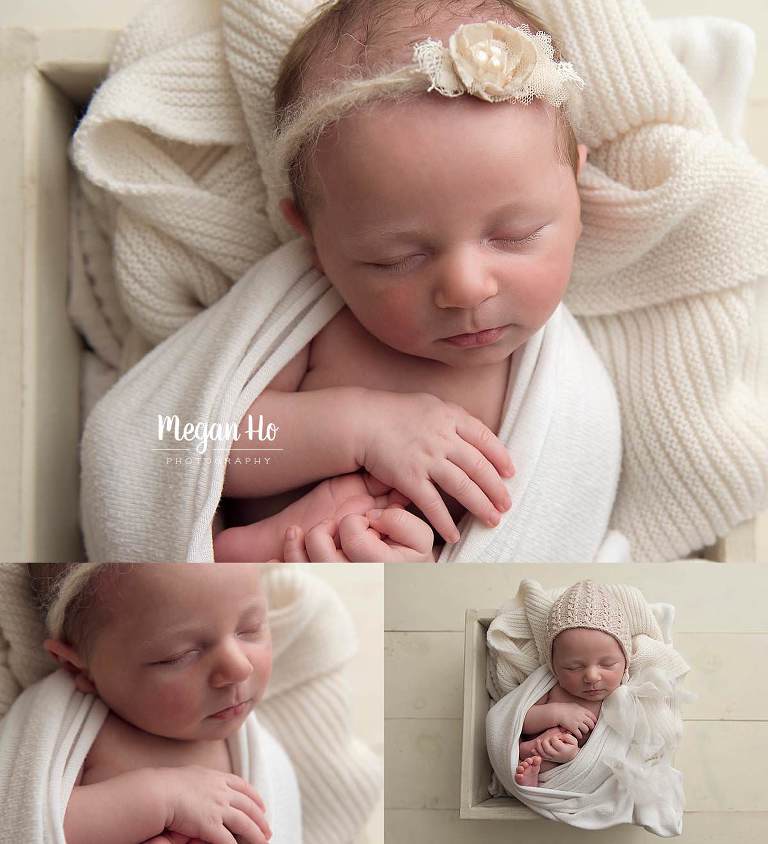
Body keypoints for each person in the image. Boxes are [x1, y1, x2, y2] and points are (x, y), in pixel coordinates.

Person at [213, 0, 588, 562]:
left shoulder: (569, 390)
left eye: (516, 234)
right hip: (252, 572)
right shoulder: (318, 324)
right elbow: (190, 446)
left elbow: (554, 536)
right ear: (317, 243)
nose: (466, 288)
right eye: (394, 258)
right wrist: (361, 428)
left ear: (577, 188)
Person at [31, 564, 298, 844]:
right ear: (78, 668)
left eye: (250, 629)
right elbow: (30, 822)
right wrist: (163, 801)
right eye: (178, 655)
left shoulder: (265, 758)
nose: (239, 668)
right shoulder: (71, 729)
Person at [514, 580, 630, 788]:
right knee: (527, 755)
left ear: (625, 661)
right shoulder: (551, 687)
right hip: (535, 753)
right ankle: (533, 768)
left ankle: (539, 771)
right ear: (554, 666)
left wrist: (573, 756)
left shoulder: (619, 701)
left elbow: (611, 754)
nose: (592, 676)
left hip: (574, 767)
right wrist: (558, 713)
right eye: (574, 667)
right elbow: (521, 720)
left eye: (607, 664)